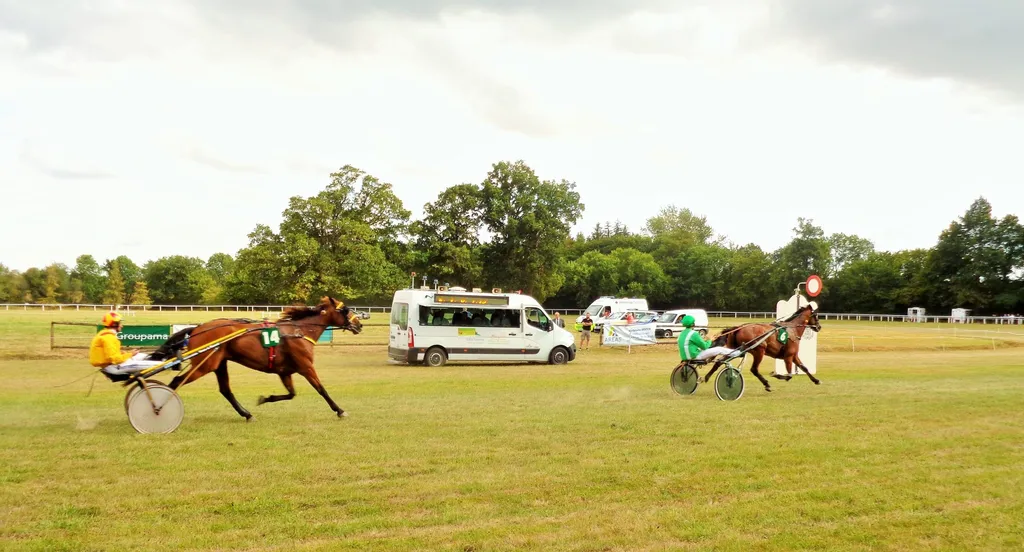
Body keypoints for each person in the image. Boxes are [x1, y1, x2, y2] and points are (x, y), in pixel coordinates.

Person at [89, 312, 163, 377]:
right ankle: (164, 362)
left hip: (112, 365)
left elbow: (112, 355)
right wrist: (130, 354)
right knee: (160, 365)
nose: (122, 326)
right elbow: (115, 359)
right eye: (120, 323)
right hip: (114, 367)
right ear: (114, 324)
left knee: (142, 356)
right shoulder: (108, 337)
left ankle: (161, 358)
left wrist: (128, 354)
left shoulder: (105, 335)